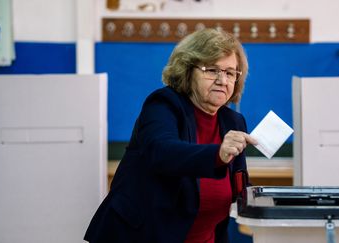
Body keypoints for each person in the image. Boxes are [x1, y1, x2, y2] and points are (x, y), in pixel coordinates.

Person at [84, 28, 258, 243]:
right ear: (187, 70)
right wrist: (218, 154)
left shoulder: (233, 121)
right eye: (212, 70)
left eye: (230, 72)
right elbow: (162, 152)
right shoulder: (163, 105)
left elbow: (238, 184)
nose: (223, 80)